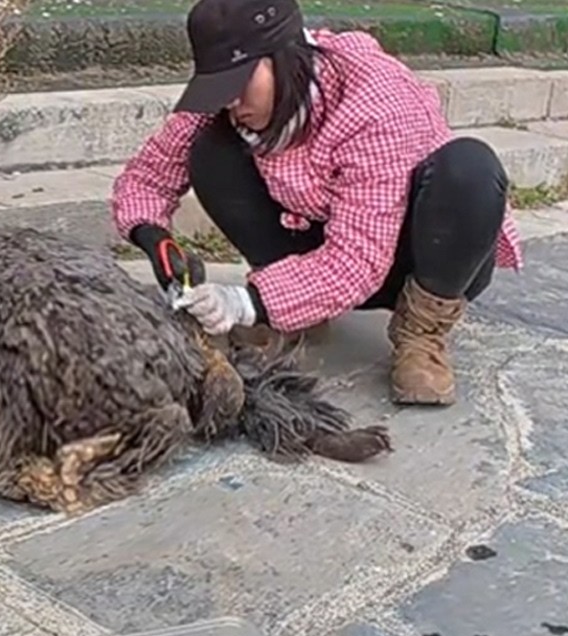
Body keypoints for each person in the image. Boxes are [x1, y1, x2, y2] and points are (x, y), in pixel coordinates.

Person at [112, 0, 522, 407]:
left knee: (470, 169)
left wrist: (245, 302)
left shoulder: (373, 98)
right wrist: (157, 241)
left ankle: (421, 333)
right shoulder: (233, 104)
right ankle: (294, 310)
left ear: (286, 56)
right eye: (219, 89)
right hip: (320, 237)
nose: (230, 103)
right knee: (210, 149)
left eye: (238, 85)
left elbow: (359, 259)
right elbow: (148, 175)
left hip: (418, 254)